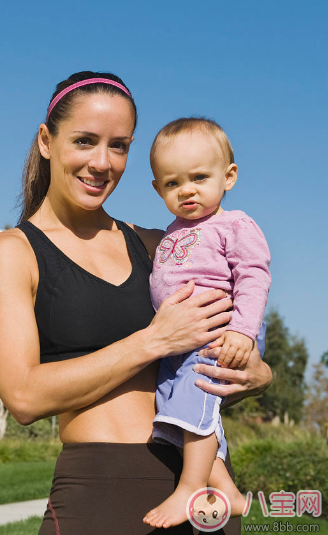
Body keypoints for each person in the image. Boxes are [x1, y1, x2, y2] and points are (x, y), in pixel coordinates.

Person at [0, 71, 273, 535]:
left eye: (119, 146)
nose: (102, 162)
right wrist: (151, 341)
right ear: (46, 141)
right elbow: (23, 396)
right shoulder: (12, 252)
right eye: (85, 140)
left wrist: (257, 373)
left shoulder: (160, 246)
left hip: (202, 488)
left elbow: (220, 335)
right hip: (102, 489)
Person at [143, 117, 270, 529]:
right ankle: (227, 492)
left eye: (199, 177)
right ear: (158, 189)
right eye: (173, 183)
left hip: (221, 334)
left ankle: (190, 488)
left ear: (228, 176)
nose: (187, 190)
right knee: (174, 410)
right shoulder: (171, 233)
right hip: (182, 342)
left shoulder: (234, 224)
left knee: (194, 399)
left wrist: (242, 332)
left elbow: (253, 276)